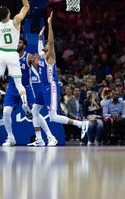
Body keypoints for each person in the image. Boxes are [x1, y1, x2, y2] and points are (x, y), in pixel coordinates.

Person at [29, 11, 88, 147]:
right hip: (43, 88)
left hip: (51, 87)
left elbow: (50, 41)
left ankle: (80, 124)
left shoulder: (51, 57)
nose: (44, 46)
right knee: (34, 111)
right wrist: (39, 37)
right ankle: (41, 139)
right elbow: (41, 46)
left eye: (46, 46)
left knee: (54, 117)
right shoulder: (42, 57)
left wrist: (49, 24)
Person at [2, 36, 57, 147]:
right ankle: (11, 138)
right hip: (12, 88)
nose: (17, 44)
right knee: (6, 112)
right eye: (16, 42)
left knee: (35, 113)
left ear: (24, 45)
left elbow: (40, 67)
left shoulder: (29, 57)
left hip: (26, 87)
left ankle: (50, 137)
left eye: (20, 42)